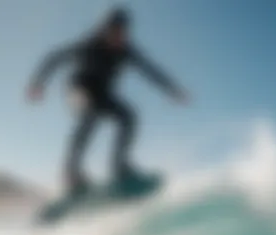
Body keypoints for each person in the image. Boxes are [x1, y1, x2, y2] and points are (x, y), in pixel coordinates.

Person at [27, 7, 190, 195]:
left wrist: (171, 89)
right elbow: (54, 57)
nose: (118, 37)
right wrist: (38, 83)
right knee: (89, 113)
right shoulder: (89, 45)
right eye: (114, 31)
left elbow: (150, 70)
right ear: (105, 30)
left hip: (103, 95)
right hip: (78, 90)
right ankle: (71, 173)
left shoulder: (126, 51)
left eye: (122, 32)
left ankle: (119, 167)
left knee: (129, 116)